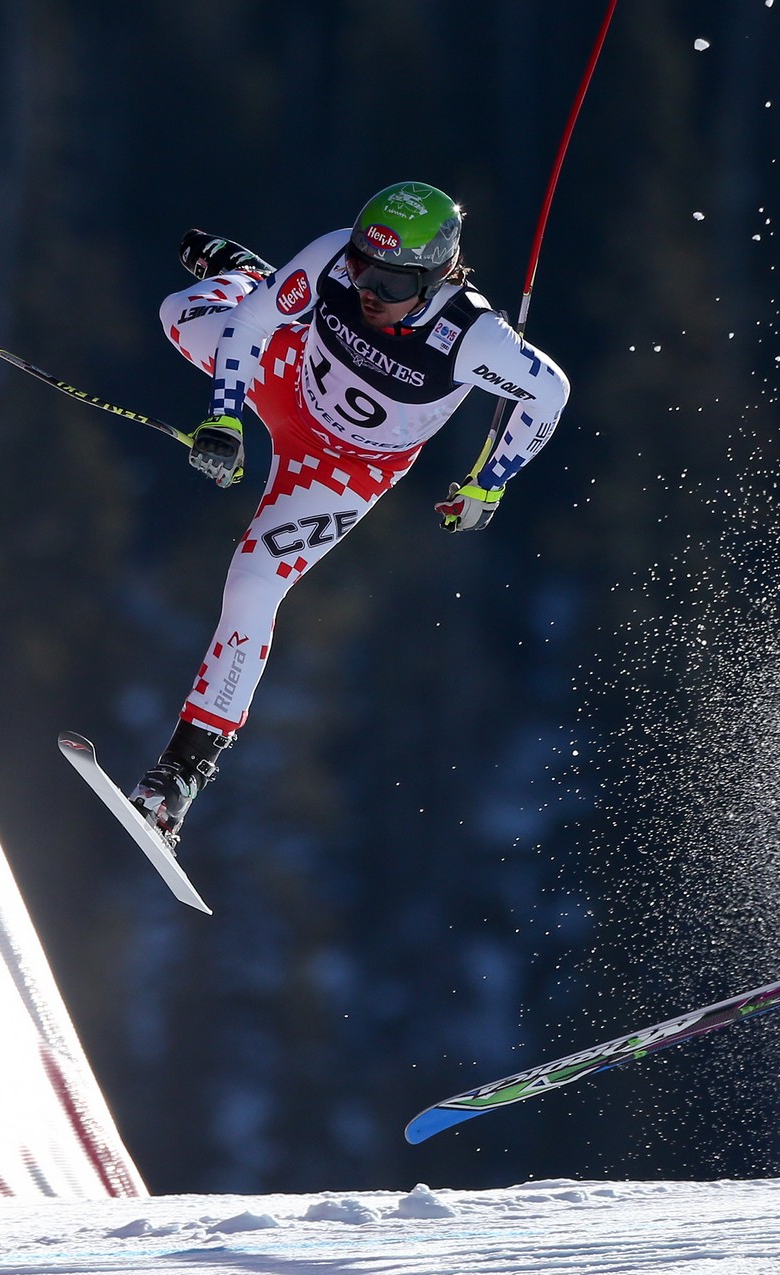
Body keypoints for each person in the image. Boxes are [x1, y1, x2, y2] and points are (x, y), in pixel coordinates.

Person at [131, 181, 569, 844]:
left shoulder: (474, 338)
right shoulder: (336, 257)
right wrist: (223, 417)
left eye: (392, 282)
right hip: (285, 377)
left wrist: (488, 483)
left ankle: (180, 776)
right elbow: (251, 326)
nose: (369, 288)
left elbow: (549, 394)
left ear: (438, 275)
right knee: (178, 311)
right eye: (365, 265)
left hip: (342, 469)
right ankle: (254, 274)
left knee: (253, 583)